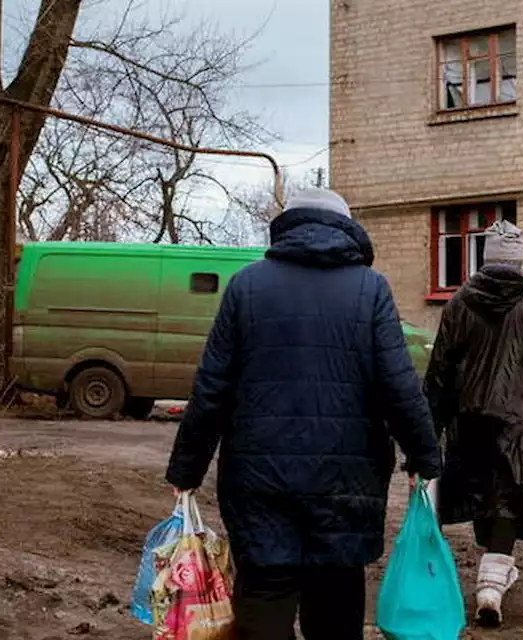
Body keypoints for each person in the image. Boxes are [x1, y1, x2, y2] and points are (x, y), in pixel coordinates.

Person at [165, 188, 442, 640]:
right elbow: (400, 386)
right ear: (346, 228)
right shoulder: (370, 289)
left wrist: (186, 469)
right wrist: (424, 459)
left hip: (259, 478)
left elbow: (212, 388)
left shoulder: (247, 286)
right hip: (345, 481)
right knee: (335, 596)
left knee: (264, 589)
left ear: (288, 226)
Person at [423, 220, 523, 628]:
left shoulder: (460, 301)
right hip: (517, 422)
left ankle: (491, 574)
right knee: (507, 501)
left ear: (486, 259)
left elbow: (440, 370)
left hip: (468, 419)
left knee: (481, 493)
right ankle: (491, 585)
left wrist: (427, 430)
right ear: (518, 261)